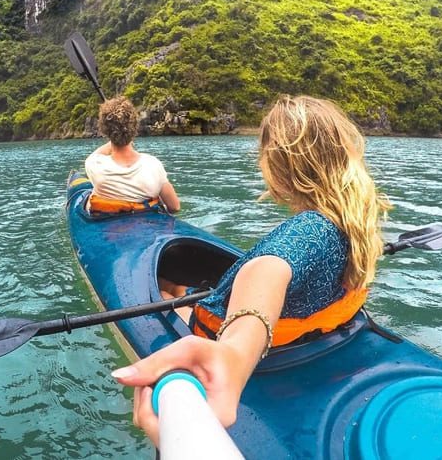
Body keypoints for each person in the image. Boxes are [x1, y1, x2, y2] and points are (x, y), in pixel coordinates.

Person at [111, 95, 392, 444]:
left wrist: (233, 355)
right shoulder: (354, 221)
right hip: (308, 336)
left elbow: (267, 270)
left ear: (279, 163)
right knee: (177, 290)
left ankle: (177, 298)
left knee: (169, 292)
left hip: (230, 337)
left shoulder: (308, 231)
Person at [84, 96, 181, 214]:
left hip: (109, 225)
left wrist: (114, 139)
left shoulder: (94, 164)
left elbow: (97, 153)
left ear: (105, 131)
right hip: (147, 223)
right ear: (135, 128)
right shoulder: (152, 164)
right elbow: (174, 207)